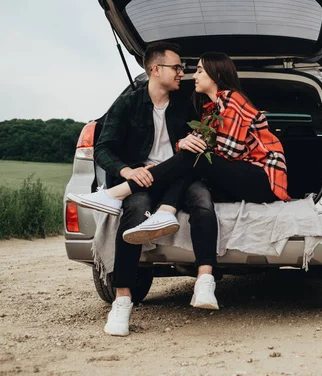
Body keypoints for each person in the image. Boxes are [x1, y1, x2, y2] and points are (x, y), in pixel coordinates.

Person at [69, 42, 220, 337]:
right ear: (155, 69)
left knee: (202, 197)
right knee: (135, 210)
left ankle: (205, 283)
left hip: (180, 178)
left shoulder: (187, 101)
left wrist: (186, 142)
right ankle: (122, 299)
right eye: (176, 67)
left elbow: (211, 126)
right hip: (143, 178)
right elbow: (103, 149)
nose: (182, 73)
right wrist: (128, 171)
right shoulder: (128, 104)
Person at [69, 51, 291, 250]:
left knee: (194, 159)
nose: (191, 75)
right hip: (239, 178)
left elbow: (227, 152)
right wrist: (183, 145)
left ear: (216, 75)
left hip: (264, 179)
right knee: (191, 159)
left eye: (200, 71)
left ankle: (117, 194)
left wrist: (183, 151)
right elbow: (203, 152)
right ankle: (164, 211)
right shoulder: (211, 109)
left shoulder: (232, 101)